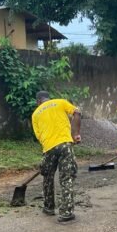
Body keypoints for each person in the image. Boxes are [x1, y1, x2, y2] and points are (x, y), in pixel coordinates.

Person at [31, 90, 82, 223]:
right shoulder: (60, 102)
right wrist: (76, 134)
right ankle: (66, 213)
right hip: (65, 145)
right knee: (66, 178)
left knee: (47, 176)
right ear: (49, 98)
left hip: (48, 148)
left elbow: (38, 136)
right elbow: (77, 112)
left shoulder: (35, 114)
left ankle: (49, 207)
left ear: (38, 102)